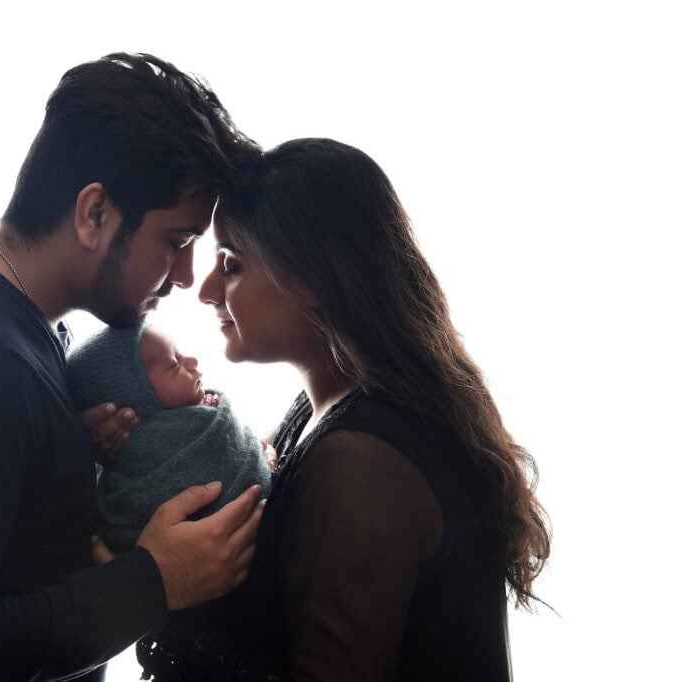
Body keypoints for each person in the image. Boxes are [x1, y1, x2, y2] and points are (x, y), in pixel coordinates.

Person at [0, 53, 265, 682]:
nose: (184, 277)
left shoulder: (7, 326)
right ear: (94, 215)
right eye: (175, 242)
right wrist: (153, 582)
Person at [104, 138, 550, 681]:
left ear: (313, 278)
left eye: (232, 264)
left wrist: (159, 606)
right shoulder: (319, 413)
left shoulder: (362, 463)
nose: (206, 289)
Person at [67, 323, 273, 552]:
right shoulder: (153, 449)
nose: (192, 360)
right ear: (139, 401)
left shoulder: (203, 409)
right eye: (174, 364)